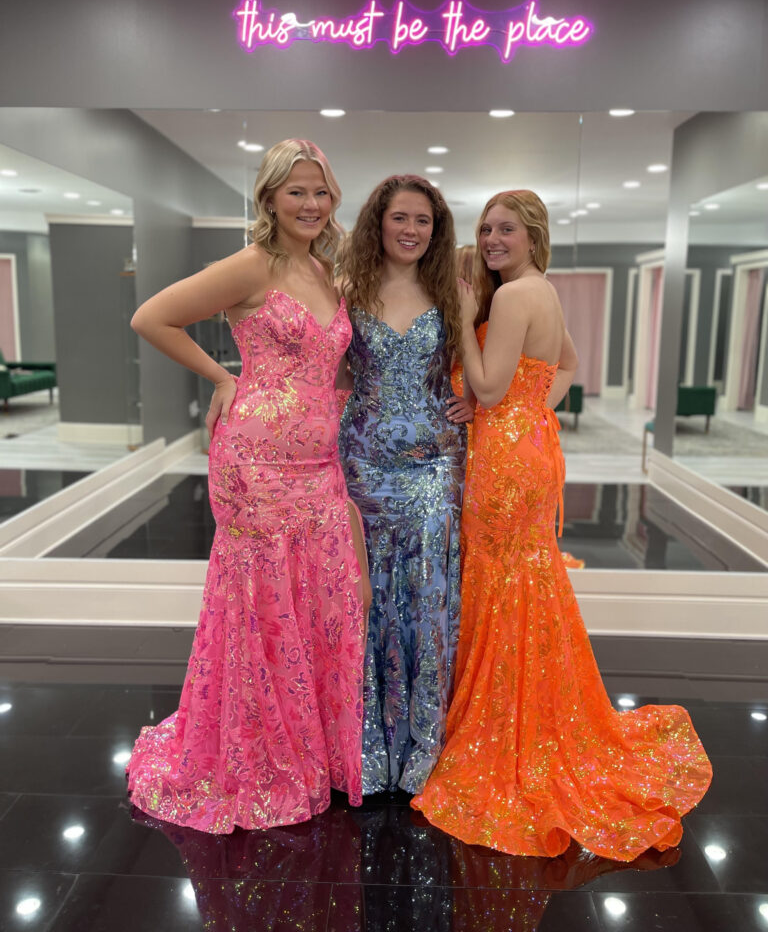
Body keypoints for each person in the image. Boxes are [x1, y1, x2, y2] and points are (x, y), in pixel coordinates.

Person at [412, 190, 712, 860]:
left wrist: (466, 328)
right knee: (527, 578)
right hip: (530, 445)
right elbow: (566, 367)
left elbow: (486, 387)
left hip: (503, 459)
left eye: (506, 230)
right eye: (486, 229)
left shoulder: (516, 297)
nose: (492, 240)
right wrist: (527, 407)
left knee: (501, 580)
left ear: (532, 235)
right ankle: (538, 713)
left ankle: (506, 728)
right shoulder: (540, 290)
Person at [126, 139, 368, 833]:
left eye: (320, 191)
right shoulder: (251, 265)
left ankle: (312, 749)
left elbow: (331, 364)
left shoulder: (330, 270)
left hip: (320, 464)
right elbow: (152, 317)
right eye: (296, 191)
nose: (311, 204)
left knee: (318, 598)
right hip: (255, 463)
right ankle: (260, 754)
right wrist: (224, 377)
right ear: (268, 198)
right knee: (263, 604)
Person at [338, 175, 470, 795]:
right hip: (361, 463)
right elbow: (316, 366)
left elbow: (506, 367)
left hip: (434, 465)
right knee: (366, 598)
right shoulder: (345, 288)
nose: (412, 230)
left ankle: (421, 744)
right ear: (378, 223)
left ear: (436, 230)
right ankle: (364, 741)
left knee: (426, 597)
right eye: (401, 218)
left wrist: (483, 401)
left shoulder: (455, 289)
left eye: (424, 220)